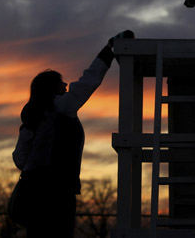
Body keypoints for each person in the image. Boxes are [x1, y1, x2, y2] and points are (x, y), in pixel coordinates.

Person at [12, 30, 133, 237]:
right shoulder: (61, 107)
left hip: (34, 191)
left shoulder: (33, 117)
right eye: (61, 83)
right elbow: (88, 82)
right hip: (57, 192)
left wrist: (38, 165)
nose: (66, 85)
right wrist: (109, 50)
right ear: (52, 89)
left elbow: (19, 158)